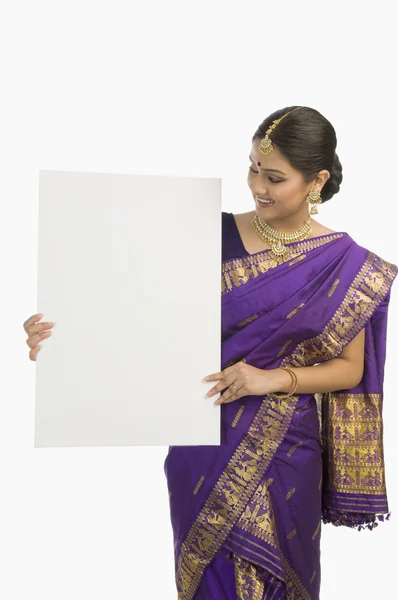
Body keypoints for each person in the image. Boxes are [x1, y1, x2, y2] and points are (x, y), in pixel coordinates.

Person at [23, 105, 397, 599]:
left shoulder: (348, 265)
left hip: (287, 451)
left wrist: (271, 379)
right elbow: (133, 309)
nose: (257, 186)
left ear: (317, 180)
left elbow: (349, 370)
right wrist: (61, 338)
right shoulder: (203, 235)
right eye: (252, 168)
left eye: (275, 177)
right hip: (201, 436)